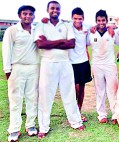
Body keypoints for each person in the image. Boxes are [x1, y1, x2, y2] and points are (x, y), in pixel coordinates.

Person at [34, 1, 85, 139]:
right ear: (47, 10)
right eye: (52, 8)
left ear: (60, 10)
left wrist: (49, 42)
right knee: (45, 96)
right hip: (47, 64)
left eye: (57, 8)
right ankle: (44, 127)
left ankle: (75, 122)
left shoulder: (66, 25)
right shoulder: (41, 25)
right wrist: (61, 41)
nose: (55, 10)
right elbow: (40, 44)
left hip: (64, 63)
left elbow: (71, 44)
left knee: (69, 94)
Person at [2, 5, 39, 141]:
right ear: (19, 15)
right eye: (25, 14)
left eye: (30, 14)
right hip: (17, 68)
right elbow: (6, 50)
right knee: (15, 100)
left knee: (32, 99)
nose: (28, 16)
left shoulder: (36, 30)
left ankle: (30, 125)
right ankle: (14, 129)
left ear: (33, 16)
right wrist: (7, 70)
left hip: (33, 68)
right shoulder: (12, 30)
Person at [88, 9, 118, 124]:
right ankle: (102, 115)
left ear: (106, 21)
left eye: (103, 20)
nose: (101, 23)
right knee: (99, 91)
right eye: (99, 20)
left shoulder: (112, 32)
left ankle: (116, 114)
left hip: (110, 65)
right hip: (97, 65)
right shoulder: (92, 32)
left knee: (112, 91)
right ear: (96, 21)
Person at [69, 7, 92, 122]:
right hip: (71, 63)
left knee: (82, 89)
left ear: (83, 18)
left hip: (83, 62)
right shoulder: (68, 28)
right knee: (74, 89)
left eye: (80, 18)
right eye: (75, 18)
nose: (78, 21)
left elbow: (87, 44)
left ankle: (79, 111)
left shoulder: (86, 29)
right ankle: (73, 113)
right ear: (72, 18)